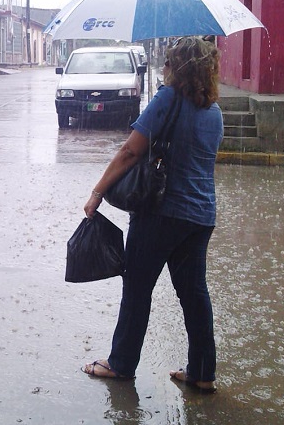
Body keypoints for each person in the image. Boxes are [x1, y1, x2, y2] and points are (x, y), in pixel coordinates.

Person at [81, 36, 223, 394]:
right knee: (194, 294)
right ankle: (202, 372)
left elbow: (130, 151)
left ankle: (121, 364)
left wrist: (98, 191)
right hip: (201, 215)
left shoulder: (167, 99)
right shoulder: (214, 111)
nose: (165, 67)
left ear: (178, 68)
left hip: (161, 213)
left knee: (138, 287)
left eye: (170, 62)